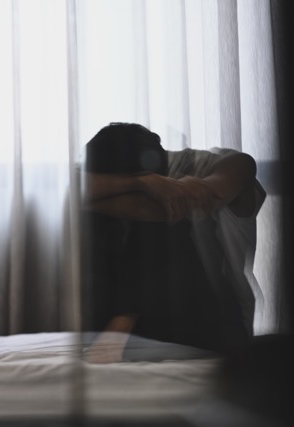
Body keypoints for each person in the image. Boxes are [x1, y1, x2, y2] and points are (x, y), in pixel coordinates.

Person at [80, 122, 266, 363]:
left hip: (213, 325)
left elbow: (243, 164)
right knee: (95, 221)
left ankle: (122, 321)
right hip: (141, 317)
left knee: (168, 224)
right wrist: (140, 182)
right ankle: (121, 321)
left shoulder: (195, 166)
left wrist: (169, 189)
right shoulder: (100, 167)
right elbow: (67, 187)